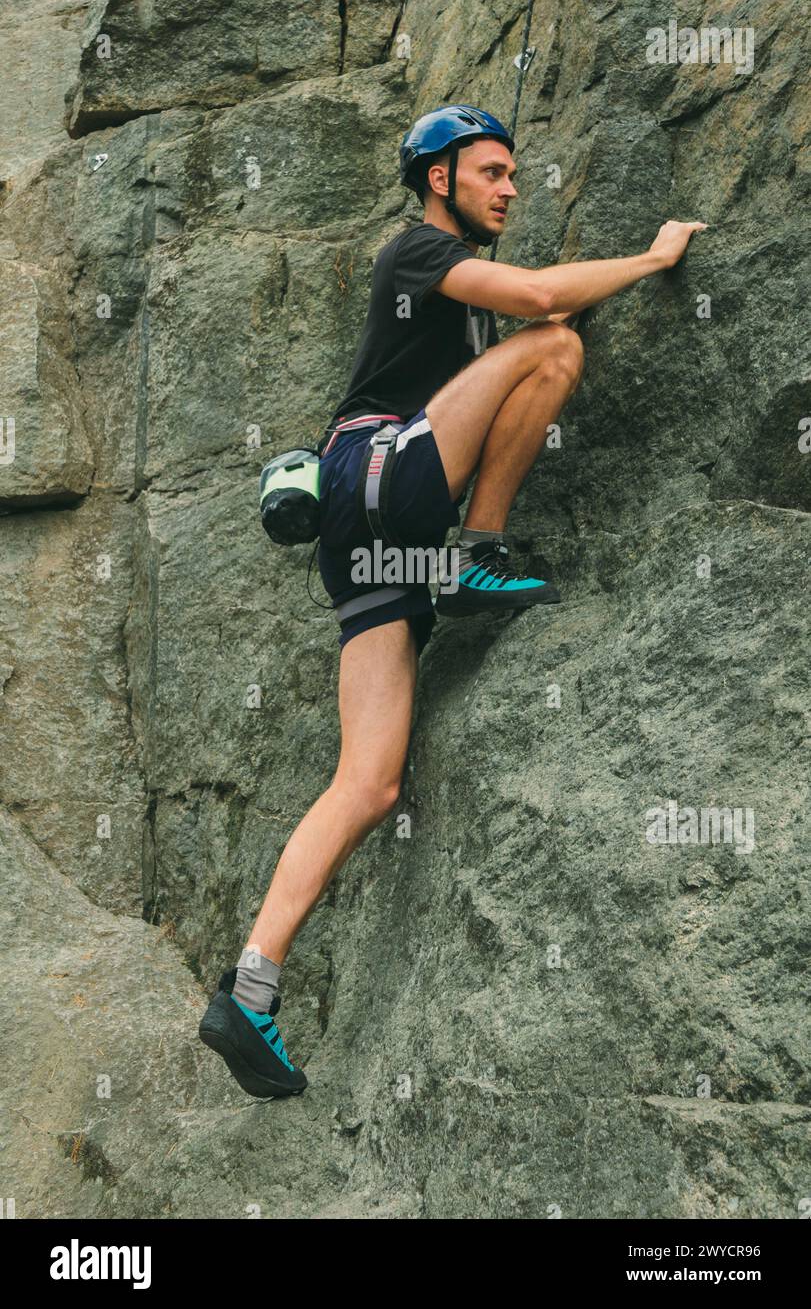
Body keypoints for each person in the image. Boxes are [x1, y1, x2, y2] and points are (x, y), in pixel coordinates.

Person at [199, 104, 707, 1097]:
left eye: (513, 173)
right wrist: (651, 259)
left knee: (369, 783)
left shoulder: (454, 296)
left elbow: (525, 304)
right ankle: (478, 549)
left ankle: (249, 990)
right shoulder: (416, 252)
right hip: (381, 474)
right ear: (439, 179)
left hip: (369, 536)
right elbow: (540, 299)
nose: (509, 188)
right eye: (491, 171)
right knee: (553, 345)